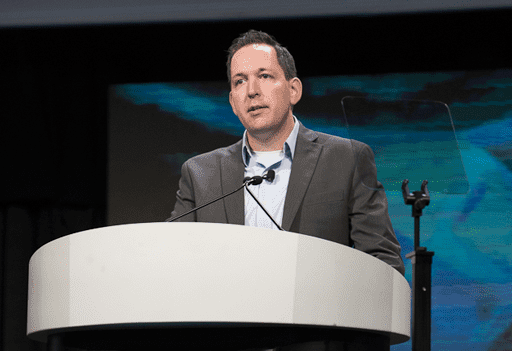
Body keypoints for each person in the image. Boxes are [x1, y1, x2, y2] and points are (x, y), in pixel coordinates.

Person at [170, 30, 404, 275]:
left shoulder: (346, 160)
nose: (251, 91)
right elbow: (169, 257)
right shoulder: (199, 174)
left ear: (294, 90)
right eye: (240, 81)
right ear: (232, 102)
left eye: (264, 76)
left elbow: (382, 262)